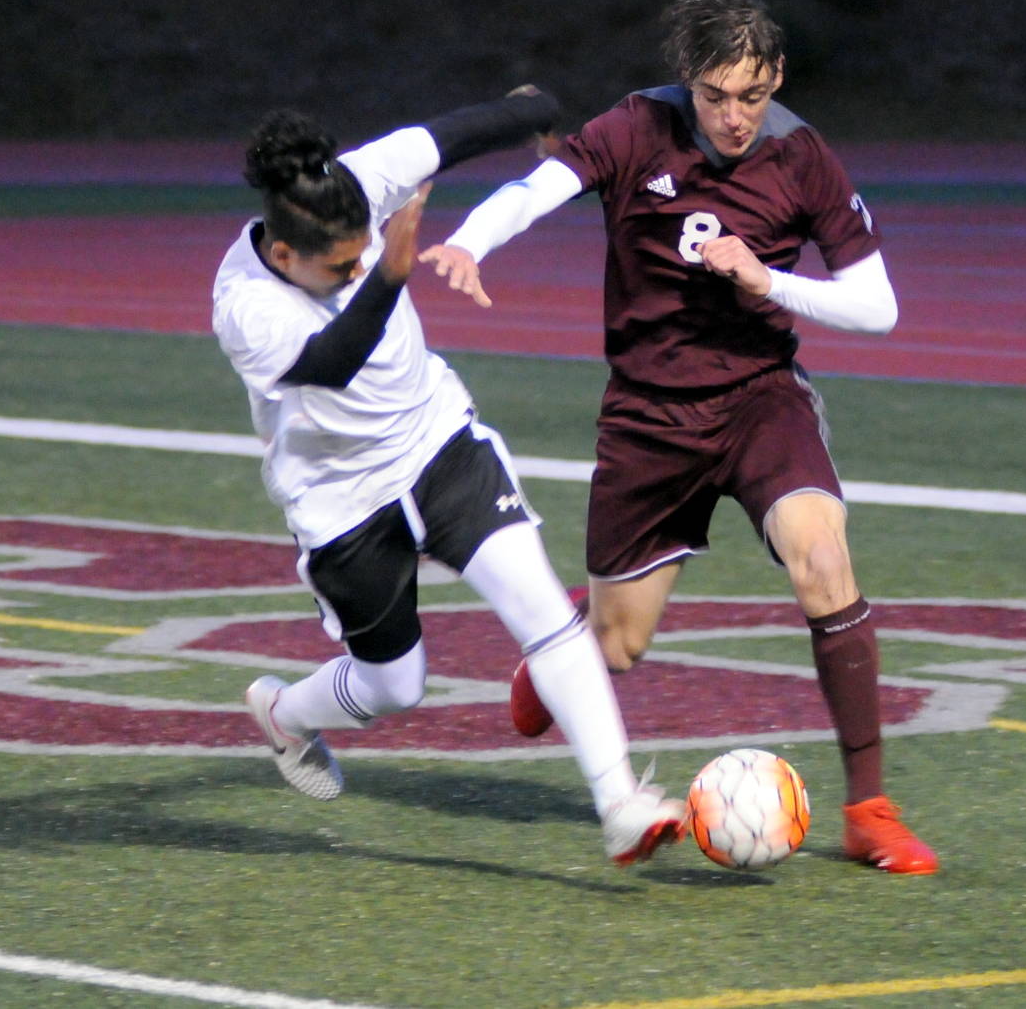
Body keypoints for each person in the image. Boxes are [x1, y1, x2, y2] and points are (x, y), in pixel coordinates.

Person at [421, 0, 939, 874]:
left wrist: (769, 284)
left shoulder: (802, 156)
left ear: (775, 77)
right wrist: (471, 243)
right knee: (619, 644)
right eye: (714, 95)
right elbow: (535, 190)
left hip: (759, 398)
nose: (734, 116)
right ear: (686, 83)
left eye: (750, 94)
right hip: (648, 419)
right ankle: (571, 648)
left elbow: (879, 307)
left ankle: (868, 807)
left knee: (823, 559)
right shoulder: (635, 128)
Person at [211, 89, 685, 866]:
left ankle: (620, 803)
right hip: (342, 502)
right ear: (286, 257)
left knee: (543, 612)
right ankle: (286, 715)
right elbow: (331, 367)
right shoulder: (244, 303)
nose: (358, 266)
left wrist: (537, 118)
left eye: (365, 253)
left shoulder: (353, 184)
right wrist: (390, 275)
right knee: (395, 686)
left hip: (439, 443)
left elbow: (457, 131)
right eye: (342, 268)